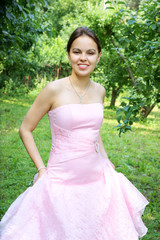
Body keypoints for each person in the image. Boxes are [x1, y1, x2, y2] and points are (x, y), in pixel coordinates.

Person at [0, 27, 149, 240]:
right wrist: (41, 169)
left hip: (97, 179)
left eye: (90, 53)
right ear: (69, 54)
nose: (83, 58)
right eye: (77, 51)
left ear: (99, 56)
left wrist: (106, 160)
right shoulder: (53, 90)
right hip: (61, 180)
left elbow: (93, 131)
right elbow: (25, 129)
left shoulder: (100, 91)